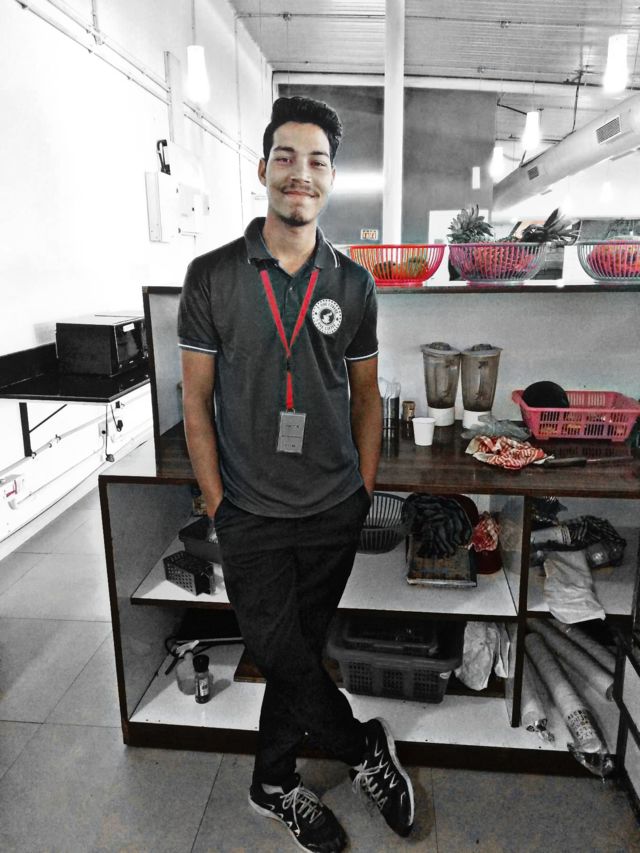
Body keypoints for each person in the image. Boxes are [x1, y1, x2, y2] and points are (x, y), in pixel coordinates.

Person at [178, 95, 414, 852]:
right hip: (248, 511)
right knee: (279, 647)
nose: (299, 173)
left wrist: (361, 492)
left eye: (316, 160)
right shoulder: (212, 275)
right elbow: (194, 401)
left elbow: (367, 397)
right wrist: (219, 505)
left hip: (331, 506)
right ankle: (362, 746)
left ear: (332, 178)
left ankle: (273, 783)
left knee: (297, 655)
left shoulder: (353, 284)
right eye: (286, 156)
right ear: (263, 169)